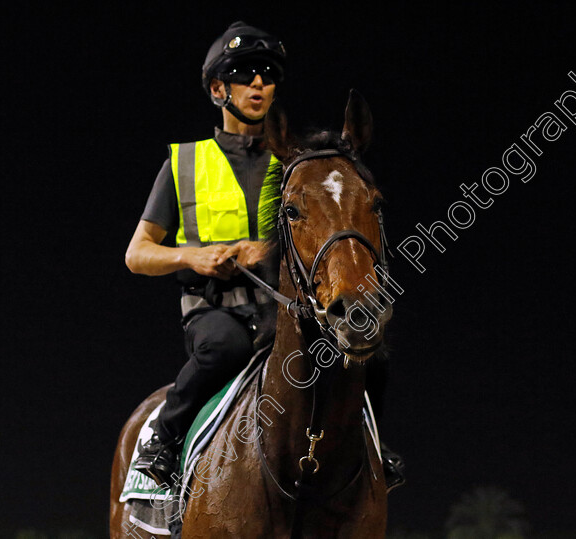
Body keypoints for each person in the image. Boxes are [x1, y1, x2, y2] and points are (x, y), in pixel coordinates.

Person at [126, 21, 405, 492]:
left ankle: (377, 449)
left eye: (268, 74)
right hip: (217, 311)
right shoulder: (183, 162)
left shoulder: (298, 161)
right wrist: (193, 258)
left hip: (289, 309)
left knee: (368, 351)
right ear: (218, 88)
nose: (259, 82)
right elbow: (138, 254)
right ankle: (163, 437)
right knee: (222, 350)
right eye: (244, 72)